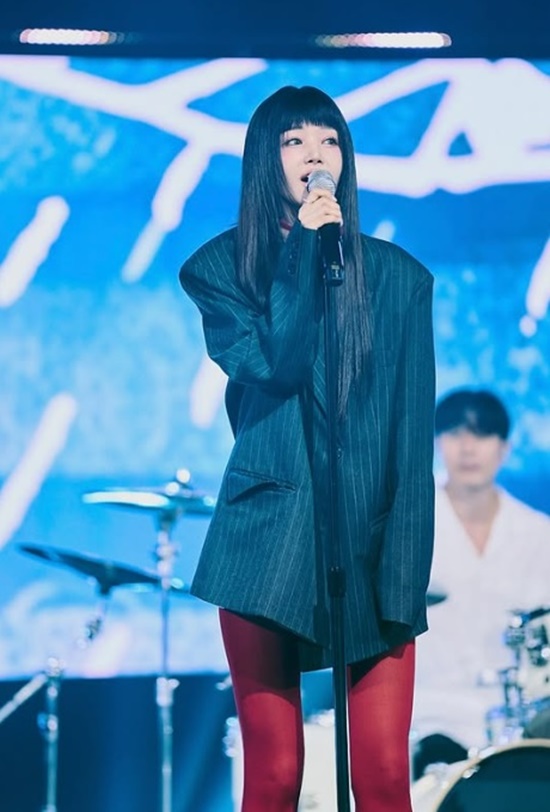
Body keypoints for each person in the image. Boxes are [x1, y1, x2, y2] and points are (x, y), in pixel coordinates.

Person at [179, 85, 435, 812]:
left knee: (382, 773)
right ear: (266, 159)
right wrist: (302, 253)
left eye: (328, 141)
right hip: (264, 542)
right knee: (276, 773)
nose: (314, 155)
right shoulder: (219, 269)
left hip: (372, 541)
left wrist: (405, 572)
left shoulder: (401, 279)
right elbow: (274, 363)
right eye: (294, 142)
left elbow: (412, 440)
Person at [412, 388, 550, 778]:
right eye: (455, 433)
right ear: (437, 443)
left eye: (482, 434)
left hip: (521, 720)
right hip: (428, 714)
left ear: (504, 448)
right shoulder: (409, 525)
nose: (468, 448)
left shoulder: (538, 533)